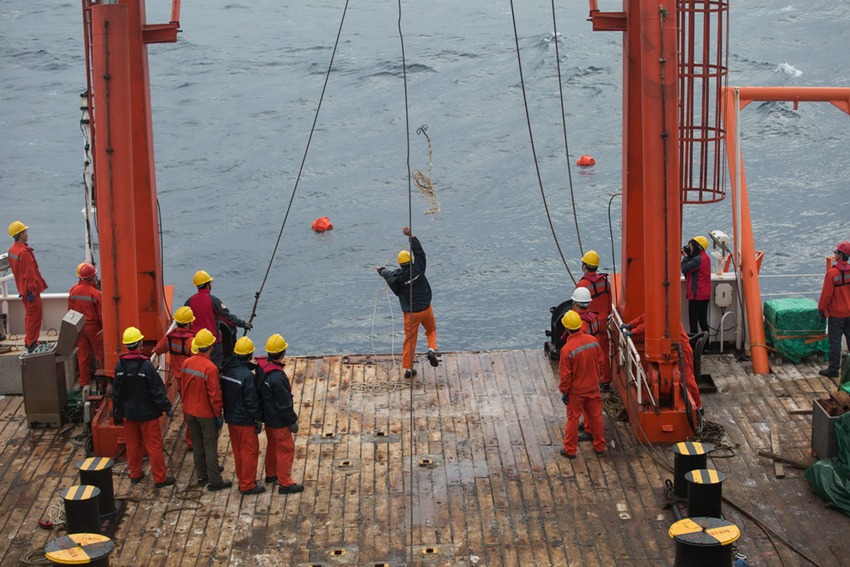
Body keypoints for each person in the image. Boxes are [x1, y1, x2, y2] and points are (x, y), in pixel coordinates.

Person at [112, 326, 175, 488]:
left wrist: (117, 413)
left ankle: (135, 473)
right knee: (154, 445)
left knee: (132, 444)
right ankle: (160, 478)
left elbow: (116, 392)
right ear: (140, 344)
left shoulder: (120, 365)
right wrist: (167, 408)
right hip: (147, 414)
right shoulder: (146, 366)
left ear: (127, 345)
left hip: (129, 414)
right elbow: (157, 390)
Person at [376, 226, 439, 378]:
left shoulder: (398, 277)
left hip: (411, 314)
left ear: (399, 264)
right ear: (411, 260)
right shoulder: (419, 268)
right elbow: (420, 253)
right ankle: (431, 349)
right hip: (426, 309)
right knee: (430, 331)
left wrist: (380, 270)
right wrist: (411, 236)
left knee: (410, 340)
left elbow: (388, 275)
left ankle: (409, 369)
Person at [621, 314, 703, 414]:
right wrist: (630, 324)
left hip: (682, 351)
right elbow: (645, 317)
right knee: (686, 378)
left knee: (688, 379)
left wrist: (633, 332)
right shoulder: (661, 309)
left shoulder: (666, 314)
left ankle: (698, 407)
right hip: (674, 349)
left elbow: (650, 324)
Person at [181, 328, 231, 492]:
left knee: (197, 444)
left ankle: (202, 476)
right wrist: (218, 415)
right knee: (210, 446)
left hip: (190, 411)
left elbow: (183, 387)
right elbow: (214, 396)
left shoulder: (186, 363)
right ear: (211, 347)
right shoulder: (210, 368)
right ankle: (215, 481)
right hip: (206, 413)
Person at [256, 333, 304, 494]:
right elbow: (284, 403)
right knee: (285, 448)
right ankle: (285, 482)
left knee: (272, 445)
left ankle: (271, 474)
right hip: (278, 420)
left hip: (268, 417)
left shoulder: (262, 370)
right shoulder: (277, 377)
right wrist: (292, 420)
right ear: (283, 353)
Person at [558, 310, 606, 459]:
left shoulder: (567, 349)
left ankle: (570, 450)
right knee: (596, 416)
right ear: (580, 325)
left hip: (576, 391)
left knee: (573, 419)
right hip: (592, 386)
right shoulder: (593, 340)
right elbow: (601, 362)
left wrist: (564, 392)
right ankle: (599, 446)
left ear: (566, 328)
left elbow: (566, 376)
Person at [221, 336, 265, 495]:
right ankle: (247, 485)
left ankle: (243, 478)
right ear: (250, 355)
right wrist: (257, 419)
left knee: (238, 450)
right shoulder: (247, 376)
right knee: (250, 451)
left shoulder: (227, 370)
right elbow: (251, 402)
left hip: (231, 418)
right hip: (245, 420)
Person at [185, 270, 252, 368]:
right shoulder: (213, 301)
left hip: (196, 343)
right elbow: (227, 317)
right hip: (213, 343)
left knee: (198, 367)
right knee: (215, 368)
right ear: (208, 285)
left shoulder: (189, 301)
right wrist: (243, 324)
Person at [153, 306, 196, 449]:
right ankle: (192, 440)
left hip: (179, 378)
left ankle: (191, 439)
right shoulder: (191, 341)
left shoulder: (169, 338)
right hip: (192, 378)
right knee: (193, 409)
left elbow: (158, 350)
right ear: (189, 323)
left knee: (186, 408)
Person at [7, 221, 48, 352]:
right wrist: (32, 291)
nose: (27, 233)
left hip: (23, 289)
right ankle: (31, 342)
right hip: (31, 291)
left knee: (29, 317)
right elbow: (29, 274)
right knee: (34, 317)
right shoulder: (23, 253)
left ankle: (30, 340)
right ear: (20, 235)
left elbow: (17, 271)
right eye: (25, 232)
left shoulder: (12, 250)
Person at [817, 240, 850, 378]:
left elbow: (826, 295)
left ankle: (833, 369)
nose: (834, 254)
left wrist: (822, 309)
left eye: (836, 252)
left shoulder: (832, 274)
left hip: (837, 314)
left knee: (835, 343)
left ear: (841, 255)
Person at [68, 263, 103, 387]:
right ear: (92, 276)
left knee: (82, 355)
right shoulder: (95, 293)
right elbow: (100, 314)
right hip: (93, 327)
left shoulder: (73, 291)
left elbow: (70, 311)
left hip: (78, 325)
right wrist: (103, 327)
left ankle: (83, 382)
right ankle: (103, 379)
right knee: (100, 353)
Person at [571, 286, 611, 391]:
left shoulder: (580, 324)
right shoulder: (593, 317)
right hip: (594, 355)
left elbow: (576, 346)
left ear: (575, 304)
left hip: (584, 361)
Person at [681, 236, 711, 335]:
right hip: (704, 295)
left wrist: (685, 257)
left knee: (693, 322)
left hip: (696, 295)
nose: (690, 248)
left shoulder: (697, 260)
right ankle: (705, 346)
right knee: (703, 321)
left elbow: (685, 269)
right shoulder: (705, 257)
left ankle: (695, 346)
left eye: (691, 246)